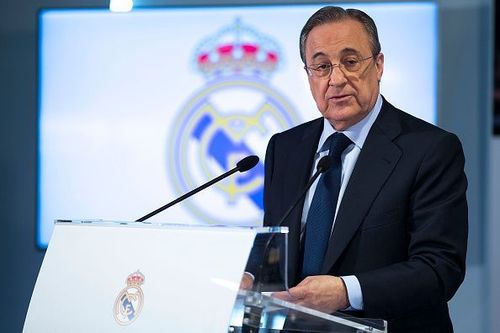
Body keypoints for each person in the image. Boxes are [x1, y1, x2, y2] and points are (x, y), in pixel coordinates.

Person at [263, 6, 468, 332]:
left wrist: (346, 291)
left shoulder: (429, 149)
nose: (336, 79)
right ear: (309, 75)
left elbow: (439, 269)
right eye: (322, 66)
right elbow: (276, 253)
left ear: (379, 65)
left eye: (350, 61)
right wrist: (250, 277)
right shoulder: (285, 148)